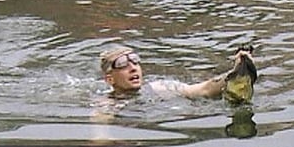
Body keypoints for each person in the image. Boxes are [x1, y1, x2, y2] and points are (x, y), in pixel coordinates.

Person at [98, 43, 257, 103]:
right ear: (110, 79)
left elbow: (203, 89)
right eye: (123, 65)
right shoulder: (107, 103)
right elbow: (101, 122)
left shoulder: (162, 87)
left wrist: (235, 72)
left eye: (135, 61)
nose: (133, 67)